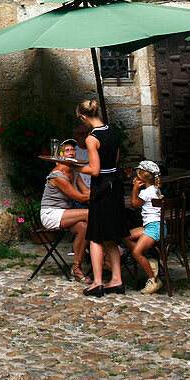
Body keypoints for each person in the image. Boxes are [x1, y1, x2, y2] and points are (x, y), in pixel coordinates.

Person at [77, 98, 127, 298]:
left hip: (101, 190)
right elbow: (114, 161)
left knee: (96, 237)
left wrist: (76, 166)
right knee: (111, 238)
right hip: (115, 187)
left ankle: (97, 282)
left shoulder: (92, 138)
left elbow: (95, 170)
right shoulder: (113, 133)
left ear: (83, 117)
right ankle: (117, 279)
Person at [39, 138, 91, 283]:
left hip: (65, 213)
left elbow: (85, 191)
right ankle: (100, 251)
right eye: (67, 150)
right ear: (60, 154)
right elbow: (80, 198)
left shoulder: (74, 172)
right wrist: (97, 195)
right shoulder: (58, 176)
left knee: (84, 227)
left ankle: (76, 267)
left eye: (73, 150)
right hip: (51, 214)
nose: (71, 153)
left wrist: (94, 194)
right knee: (89, 214)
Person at [123, 160, 164, 294]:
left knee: (136, 252)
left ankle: (153, 280)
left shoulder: (147, 192)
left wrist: (135, 188)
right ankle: (149, 261)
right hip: (154, 226)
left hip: (154, 227)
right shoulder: (156, 189)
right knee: (126, 236)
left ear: (142, 176)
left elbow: (135, 204)